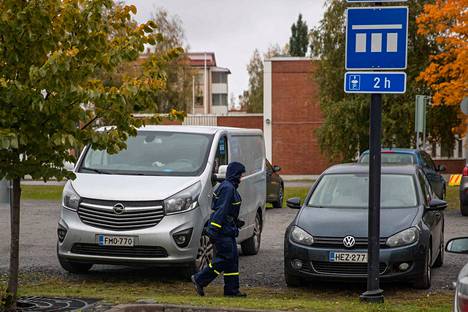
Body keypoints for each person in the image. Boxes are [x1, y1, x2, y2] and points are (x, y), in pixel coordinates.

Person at [191, 161, 247, 297]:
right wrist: (214, 230)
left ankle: (231, 290)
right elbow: (220, 210)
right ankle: (199, 279)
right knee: (225, 258)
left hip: (228, 230)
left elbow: (227, 211)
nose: (241, 178)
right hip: (222, 232)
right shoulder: (228, 189)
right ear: (235, 174)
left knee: (232, 260)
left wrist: (236, 222)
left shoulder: (229, 187)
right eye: (240, 175)